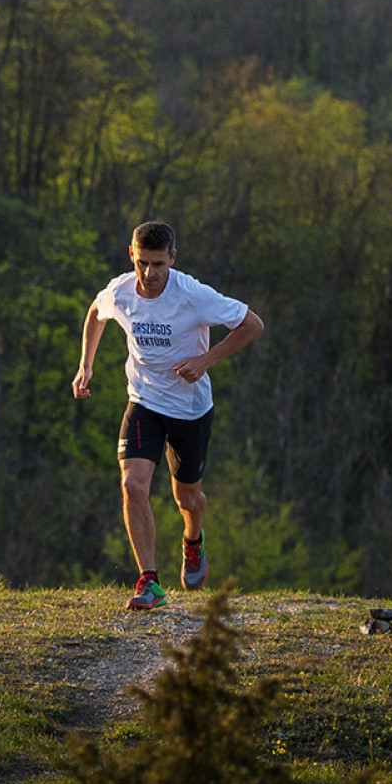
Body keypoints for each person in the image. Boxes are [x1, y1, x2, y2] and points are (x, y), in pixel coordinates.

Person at [73, 220, 263, 611]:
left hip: (190, 410)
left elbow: (252, 324)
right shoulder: (121, 291)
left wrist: (205, 360)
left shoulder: (193, 295)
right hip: (143, 401)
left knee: (187, 497)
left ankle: (193, 539)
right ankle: (149, 582)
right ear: (131, 255)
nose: (150, 272)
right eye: (142, 262)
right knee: (133, 485)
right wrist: (85, 365)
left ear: (173, 259)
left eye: (158, 263)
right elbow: (96, 311)